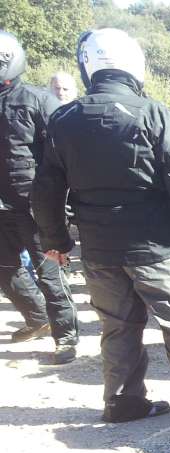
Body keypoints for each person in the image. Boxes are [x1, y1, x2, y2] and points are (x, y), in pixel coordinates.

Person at [33, 28, 170, 424]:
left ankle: (123, 403)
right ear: (133, 65)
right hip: (156, 247)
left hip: (100, 249)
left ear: (89, 67)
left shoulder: (63, 119)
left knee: (117, 327)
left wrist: (57, 241)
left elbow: (46, 188)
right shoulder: (153, 113)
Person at [0, 30, 78, 363]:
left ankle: (66, 337)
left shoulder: (37, 100)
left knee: (49, 274)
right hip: (2, 208)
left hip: (34, 205)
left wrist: (64, 203)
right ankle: (37, 318)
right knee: (5, 270)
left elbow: (63, 154)